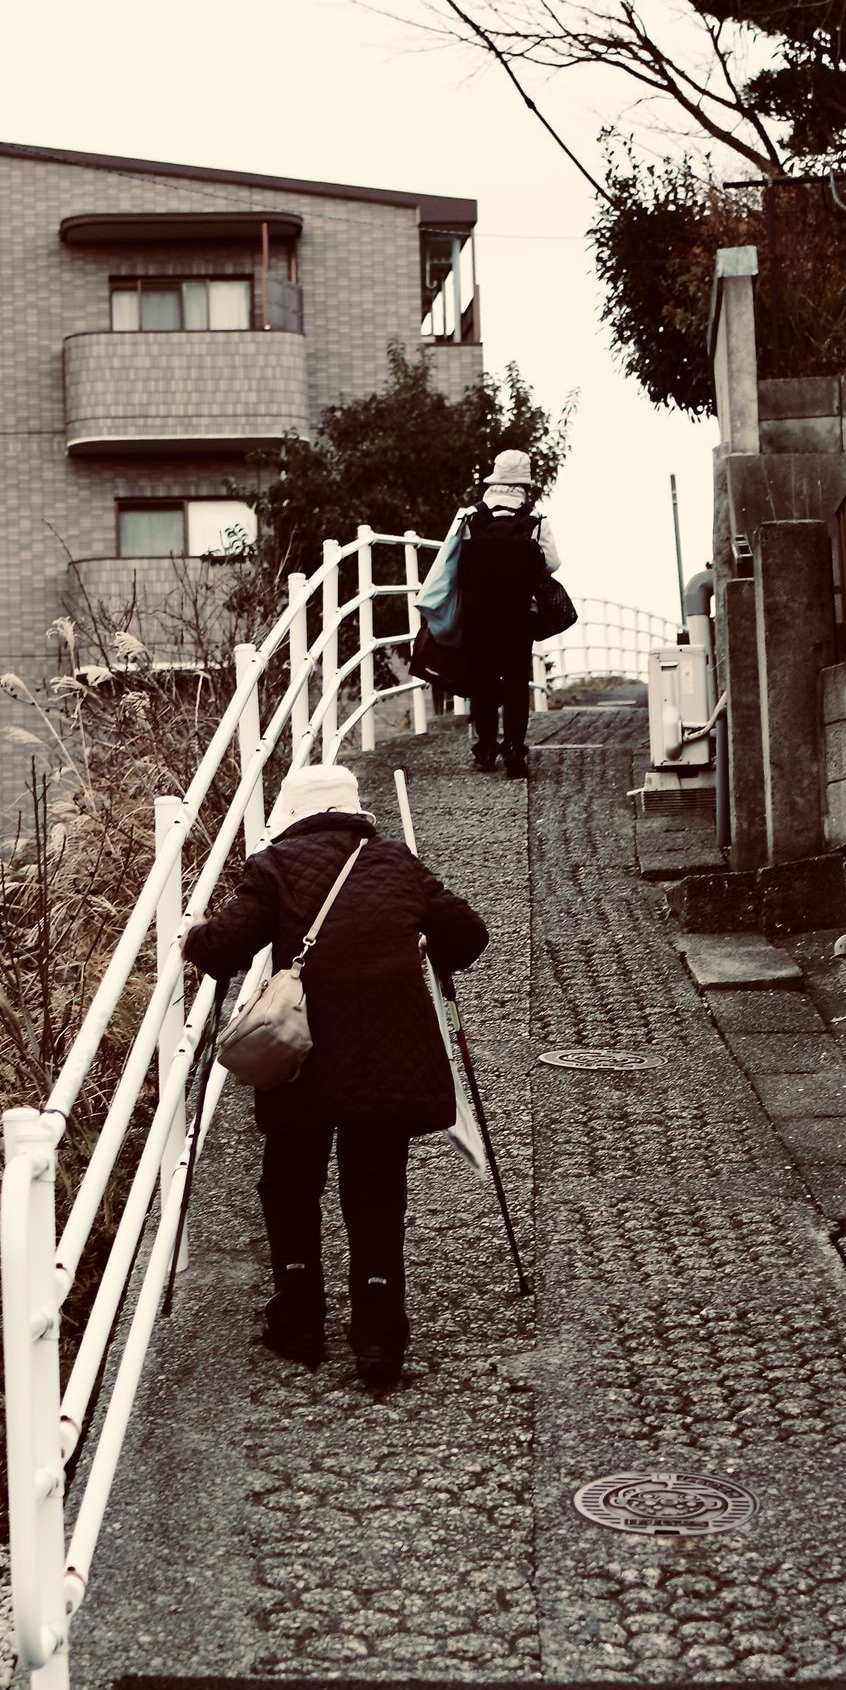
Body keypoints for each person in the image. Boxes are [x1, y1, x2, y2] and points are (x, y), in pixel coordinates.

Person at [182, 761, 487, 1391]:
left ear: (292, 815)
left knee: (290, 1184)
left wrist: (190, 935)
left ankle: (299, 1317)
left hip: (303, 1059)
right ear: (354, 811)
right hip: (390, 1060)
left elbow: (223, 950)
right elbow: (468, 937)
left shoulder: (273, 868)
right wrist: (421, 944)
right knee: (376, 1191)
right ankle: (379, 1335)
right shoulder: (396, 860)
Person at [441, 448, 565, 778]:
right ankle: (514, 750)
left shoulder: (469, 516)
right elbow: (553, 563)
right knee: (515, 682)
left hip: (477, 613)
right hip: (518, 614)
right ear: (524, 485)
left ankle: (485, 748)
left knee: (482, 679)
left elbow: (450, 561)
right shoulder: (536, 520)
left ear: (493, 481)